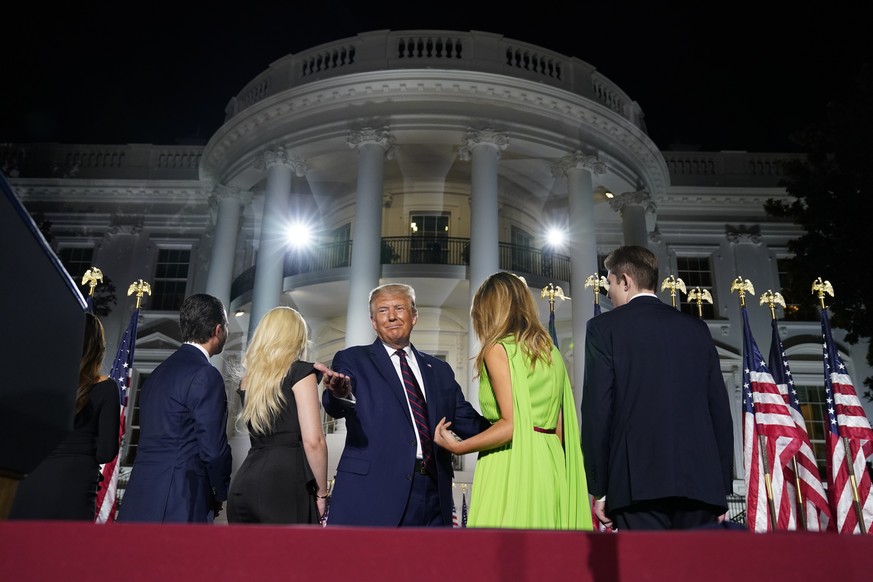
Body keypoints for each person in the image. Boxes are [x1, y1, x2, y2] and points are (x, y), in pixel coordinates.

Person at [580, 245, 734, 530]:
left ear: (625, 280)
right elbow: (720, 412)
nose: (609, 293)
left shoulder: (603, 328)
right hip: (700, 485)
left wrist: (600, 488)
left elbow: (596, 413)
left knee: (646, 573)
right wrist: (720, 488)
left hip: (636, 485)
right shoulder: (696, 329)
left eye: (610, 283)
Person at [320, 283, 490, 526]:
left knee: (433, 564)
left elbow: (469, 423)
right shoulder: (353, 359)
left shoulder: (439, 370)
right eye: (382, 311)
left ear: (414, 316)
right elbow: (334, 404)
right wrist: (340, 393)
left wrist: (513, 428)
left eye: (399, 308)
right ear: (373, 322)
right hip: (374, 491)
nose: (391, 316)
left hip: (433, 493)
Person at [433, 272, 591, 529]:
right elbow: (559, 430)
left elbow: (511, 425)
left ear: (487, 310)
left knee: (502, 552)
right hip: (549, 462)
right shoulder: (551, 352)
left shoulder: (498, 349)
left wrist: (458, 448)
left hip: (510, 461)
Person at [118, 293, 233, 523]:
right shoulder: (205, 375)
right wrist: (219, 491)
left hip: (139, 495)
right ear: (218, 330)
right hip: (180, 500)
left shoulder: (156, 374)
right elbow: (213, 449)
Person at [10, 312, 120, 520]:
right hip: (75, 482)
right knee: (66, 549)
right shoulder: (106, 388)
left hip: (31, 476)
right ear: (98, 346)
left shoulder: (38, 381)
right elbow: (106, 452)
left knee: (25, 547)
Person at [227, 306, 328, 524]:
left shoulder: (248, 379)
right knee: (291, 557)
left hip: (245, 482)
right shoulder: (301, 372)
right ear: (297, 337)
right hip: (286, 483)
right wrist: (322, 494)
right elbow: (314, 442)